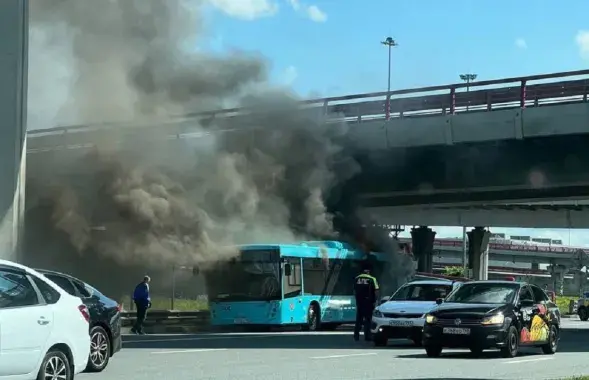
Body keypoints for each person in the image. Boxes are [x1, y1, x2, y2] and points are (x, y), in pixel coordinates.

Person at [353, 265, 379, 342]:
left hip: (359, 302)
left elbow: (354, 291)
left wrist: (357, 299)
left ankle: (356, 335)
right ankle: (367, 336)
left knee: (359, 319)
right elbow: (376, 290)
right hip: (368, 302)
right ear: (368, 272)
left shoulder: (357, 278)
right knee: (368, 319)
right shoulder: (372, 279)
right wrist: (376, 300)